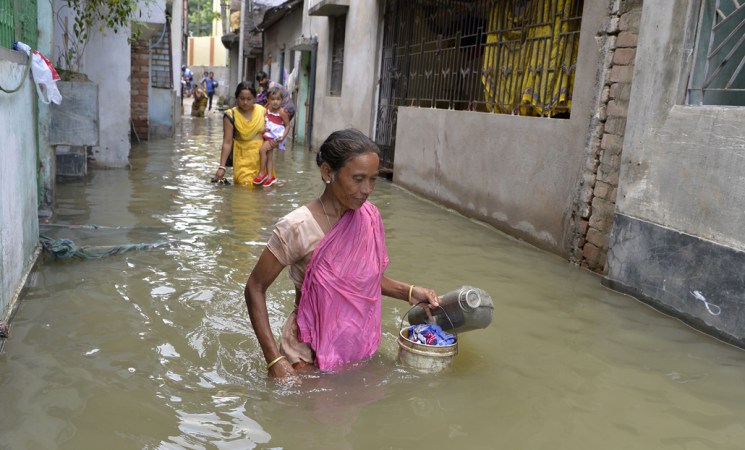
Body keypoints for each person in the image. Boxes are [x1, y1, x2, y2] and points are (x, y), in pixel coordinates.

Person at [244, 128, 440, 382]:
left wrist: (411, 292)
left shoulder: (369, 218)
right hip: (306, 356)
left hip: (356, 346)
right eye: (358, 179)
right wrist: (274, 360)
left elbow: (365, 280)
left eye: (373, 179)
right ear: (328, 172)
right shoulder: (297, 227)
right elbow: (255, 287)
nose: (367, 189)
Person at [212, 82, 274, 185]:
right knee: (244, 187)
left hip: (262, 161)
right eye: (242, 98)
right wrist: (222, 167)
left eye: (249, 99)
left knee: (264, 191)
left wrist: (275, 142)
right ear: (236, 98)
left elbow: (272, 132)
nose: (245, 102)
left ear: (254, 98)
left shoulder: (262, 111)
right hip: (242, 160)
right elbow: (227, 143)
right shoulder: (231, 115)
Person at [252, 87, 290, 187]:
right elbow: (264, 116)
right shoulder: (268, 108)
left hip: (276, 136)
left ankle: (262, 173)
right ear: (268, 100)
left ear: (281, 100)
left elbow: (288, 126)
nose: (275, 102)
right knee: (269, 157)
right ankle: (270, 177)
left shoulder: (282, 112)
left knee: (262, 151)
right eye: (272, 99)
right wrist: (264, 126)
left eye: (278, 99)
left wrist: (283, 137)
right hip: (269, 134)